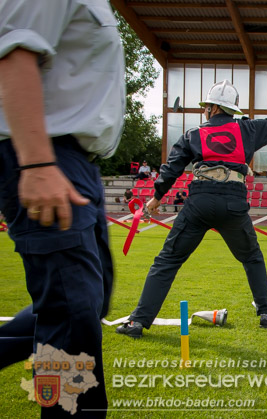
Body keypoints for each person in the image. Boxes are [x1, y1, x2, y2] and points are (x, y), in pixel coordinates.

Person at [0, 1, 125, 417]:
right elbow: (14, 49)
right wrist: (36, 162)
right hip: (45, 154)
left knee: (89, 301)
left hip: (77, 163)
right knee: (71, 318)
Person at [116, 80, 267, 338]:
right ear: (233, 109)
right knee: (251, 257)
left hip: (199, 202)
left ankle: (137, 322)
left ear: (210, 107)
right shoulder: (249, 129)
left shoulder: (192, 134)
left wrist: (157, 197)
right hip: (233, 202)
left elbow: (171, 168)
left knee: (167, 261)